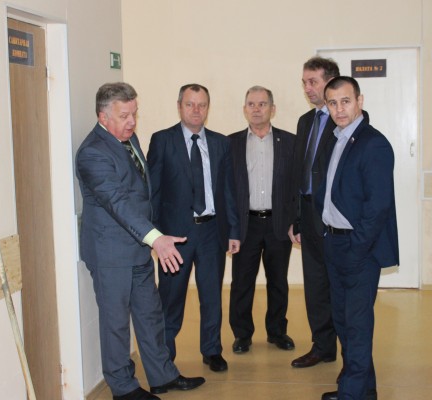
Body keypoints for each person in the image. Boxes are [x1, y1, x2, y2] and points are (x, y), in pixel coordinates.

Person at [76, 82, 205, 400]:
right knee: (116, 323)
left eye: (134, 113)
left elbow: (141, 193)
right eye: (124, 116)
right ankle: (123, 389)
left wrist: (152, 237)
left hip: (138, 247)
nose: (132, 122)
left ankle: (162, 375)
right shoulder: (92, 153)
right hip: (110, 253)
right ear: (103, 117)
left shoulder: (128, 139)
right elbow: (117, 202)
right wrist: (156, 238)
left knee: (150, 315)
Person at [147, 84, 240, 373]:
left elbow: (228, 190)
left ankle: (212, 350)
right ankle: (165, 355)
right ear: (179, 106)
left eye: (202, 104)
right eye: (190, 104)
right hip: (175, 236)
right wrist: (156, 235)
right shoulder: (162, 140)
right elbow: (153, 191)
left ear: (208, 108)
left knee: (211, 295)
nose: (196, 110)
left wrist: (233, 230)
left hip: (212, 232)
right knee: (171, 297)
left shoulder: (221, 143)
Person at [316, 76, 399, 400]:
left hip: (358, 247)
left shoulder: (373, 144)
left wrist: (356, 248)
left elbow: (378, 207)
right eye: (332, 103)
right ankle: (365, 390)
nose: (339, 109)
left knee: (357, 324)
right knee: (343, 321)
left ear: (360, 101)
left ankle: (350, 394)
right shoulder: (336, 139)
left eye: (346, 101)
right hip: (334, 243)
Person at [228, 86, 296, 354]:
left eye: (262, 104)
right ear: (244, 109)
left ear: (273, 109)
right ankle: (242, 334)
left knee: (278, 282)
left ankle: (277, 331)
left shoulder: (290, 142)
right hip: (246, 225)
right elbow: (227, 190)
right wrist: (231, 227)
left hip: (279, 224)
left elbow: (297, 187)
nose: (256, 109)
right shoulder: (231, 143)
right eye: (251, 104)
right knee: (242, 283)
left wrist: (295, 221)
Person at [289, 56, 340, 368]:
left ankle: (349, 350)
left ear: (329, 82)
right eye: (304, 82)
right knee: (315, 284)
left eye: (313, 82)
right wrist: (296, 218)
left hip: (334, 216)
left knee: (339, 284)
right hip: (308, 214)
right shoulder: (305, 121)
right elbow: (300, 172)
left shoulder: (343, 119)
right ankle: (322, 346)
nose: (307, 88)